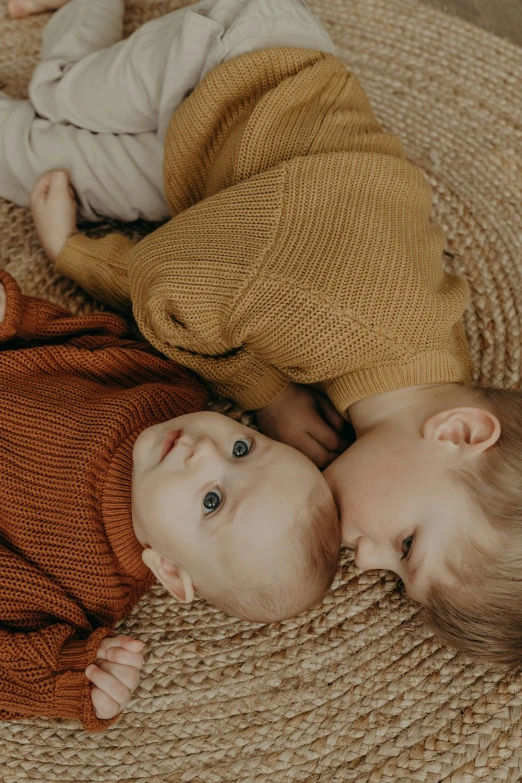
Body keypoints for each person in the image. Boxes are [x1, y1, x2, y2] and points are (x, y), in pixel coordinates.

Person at [8, 0, 522, 667]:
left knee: (43, 162)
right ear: (457, 433)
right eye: (405, 546)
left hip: (221, 176)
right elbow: (171, 281)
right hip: (234, 65)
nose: (365, 559)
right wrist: (263, 387)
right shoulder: (341, 313)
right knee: (58, 97)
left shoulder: (417, 370)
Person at [0, 266, 340, 731]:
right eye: (242, 449)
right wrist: (14, 316)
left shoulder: (88, 587)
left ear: (170, 571)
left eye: (212, 502)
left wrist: (68, 677)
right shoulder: (171, 392)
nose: (203, 452)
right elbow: (86, 342)